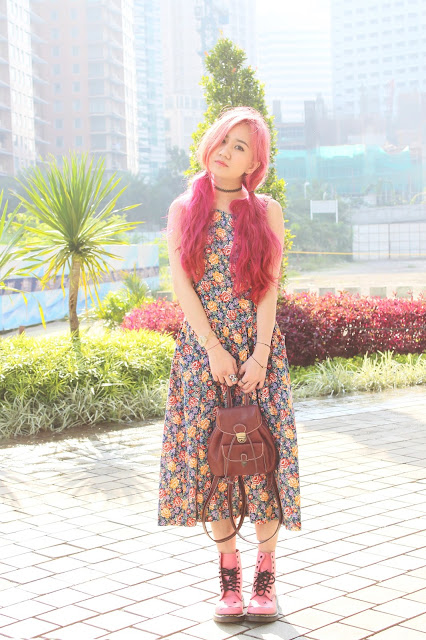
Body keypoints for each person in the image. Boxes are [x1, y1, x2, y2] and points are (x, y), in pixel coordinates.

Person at [158, 105, 301, 623]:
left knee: (263, 460)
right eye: (222, 140)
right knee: (213, 462)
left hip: (259, 353)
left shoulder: (267, 211)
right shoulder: (183, 208)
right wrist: (214, 348)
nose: (225, 151)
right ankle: (229, 577)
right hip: (203, 354)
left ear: (254, 163)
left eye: (240, 146)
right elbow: (181, 283)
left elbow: (268, 287)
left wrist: (259, 354)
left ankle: (266, 576)